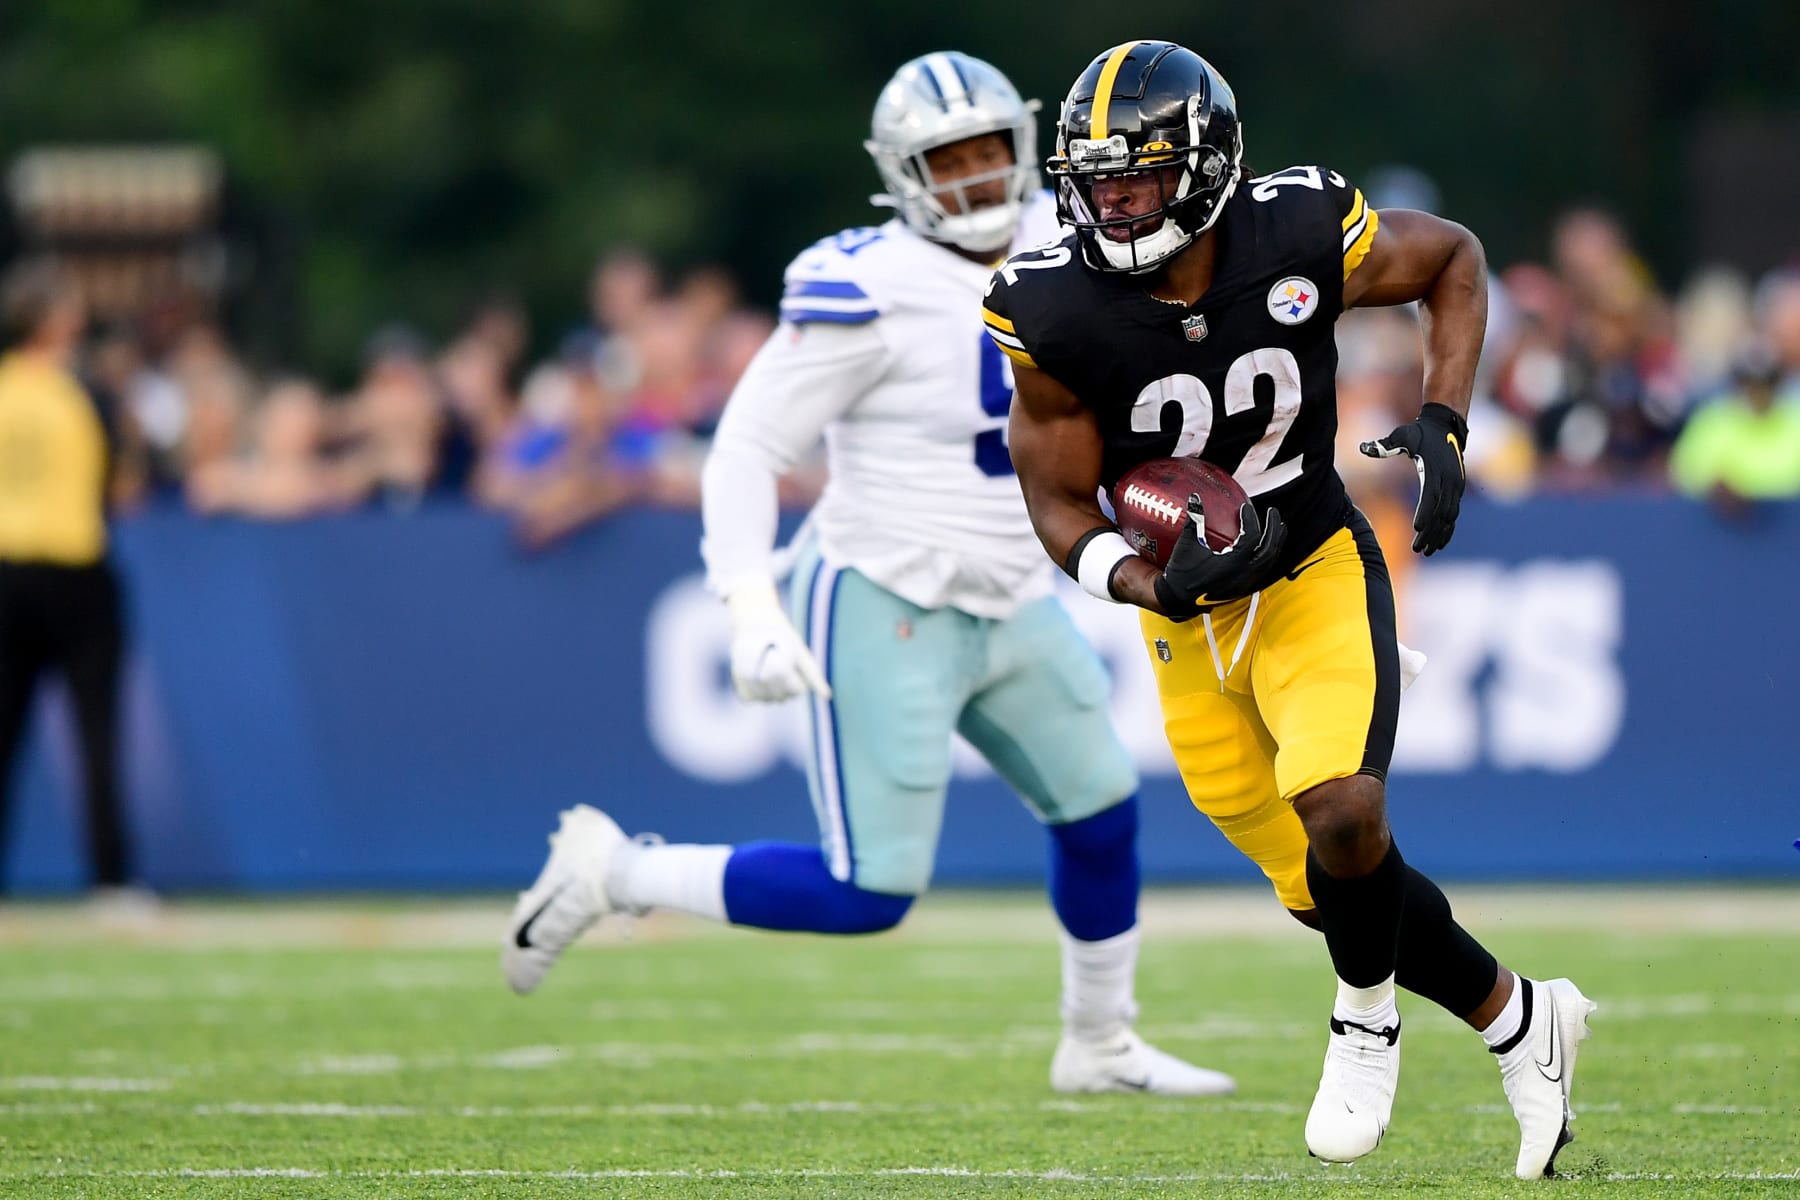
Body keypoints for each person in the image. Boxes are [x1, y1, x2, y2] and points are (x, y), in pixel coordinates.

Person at [502, 51, 1233, 1097]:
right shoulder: (865, 285)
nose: (979, 180)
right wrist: (748, 603)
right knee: (870, 891)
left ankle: (1100, 1041)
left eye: (992, 153)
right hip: (886, 591)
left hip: (1014, 591)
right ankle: (614, 871)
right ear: (901, 174)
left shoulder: (1079, 235)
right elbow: (747, 448)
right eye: (950, 160)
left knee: (1103, 811)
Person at [985, 41, 1596, 1176]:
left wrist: (1445, 418)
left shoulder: (1297, 229)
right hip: (1186, 619)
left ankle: (1363, 1024)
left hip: (1312, 560)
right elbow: (1059, 501)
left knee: (1343, 811)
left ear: (1207, 167)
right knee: (1330, 887)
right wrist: (1143, 578)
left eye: (1138, 174)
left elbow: (1453, 259)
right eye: (1094, 176)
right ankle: (1522, 1019)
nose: (1110, 199)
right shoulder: (1050, 306)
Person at [0, 259, 136, 898]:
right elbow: (124, 483)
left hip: (5, 570)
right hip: (75, 565)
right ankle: (110, 881)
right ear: (57, 320)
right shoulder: (83, 390)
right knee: (97, 737)